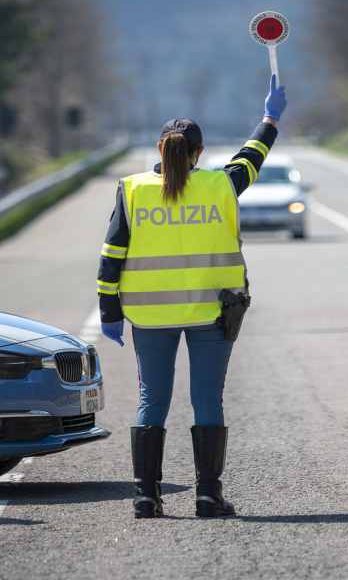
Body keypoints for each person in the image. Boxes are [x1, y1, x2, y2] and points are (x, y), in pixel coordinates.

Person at [97, 74, 287, 518]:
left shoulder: (132, 189)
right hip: (210, 314)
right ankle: (207, 496)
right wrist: (270, 119)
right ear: (198, 152)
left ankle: (146, 497)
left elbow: (111, 256)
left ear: (159, 150)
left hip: (148, 316)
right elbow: (252, 158)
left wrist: (109, 310)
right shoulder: (221, 185)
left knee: (151, 402)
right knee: (207, 400)